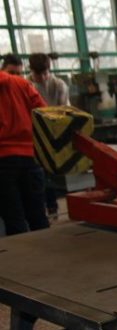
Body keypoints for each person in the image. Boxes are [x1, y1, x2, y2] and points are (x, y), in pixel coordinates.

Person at [0, 64, 49, 236]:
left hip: (2, 163)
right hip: (30, 157)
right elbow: (44, 113)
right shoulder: (21, 84)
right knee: (38, 216)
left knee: (14, 220)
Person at [27, 53, 69, 221]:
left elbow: (64, 110)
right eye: (39, 74)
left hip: (55, 133)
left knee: (52, 174)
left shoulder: (59, 85)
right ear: (31, 70)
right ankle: (46, 207)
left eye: (45, 73)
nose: (43, 78)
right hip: (33, 136)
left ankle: (52, 208)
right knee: (40, 174)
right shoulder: (26, 85)